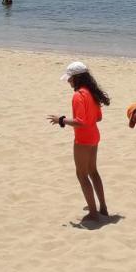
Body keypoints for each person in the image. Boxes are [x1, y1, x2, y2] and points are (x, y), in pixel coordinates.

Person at [47, 61, 109, 223]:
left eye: (70, 78)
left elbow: (80, 121)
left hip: (83, 138)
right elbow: (99, 118)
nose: (68, 81)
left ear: (77, 78)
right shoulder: (92, 93)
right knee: (93, 172)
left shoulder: (78, 95)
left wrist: (61, 120)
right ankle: (103, 207)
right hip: (95, 135)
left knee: (81, 174)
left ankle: (93, 214)